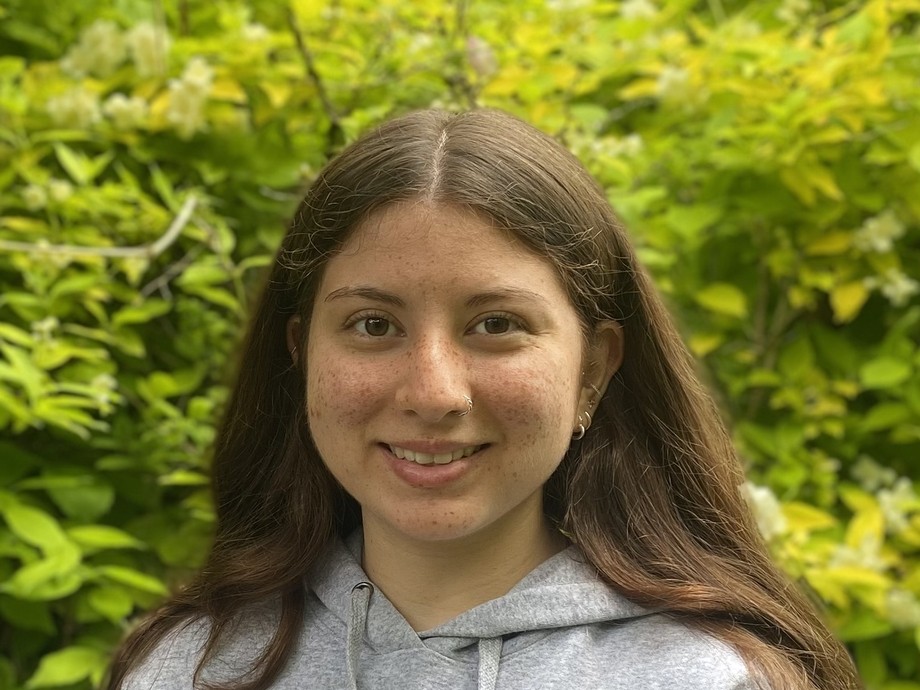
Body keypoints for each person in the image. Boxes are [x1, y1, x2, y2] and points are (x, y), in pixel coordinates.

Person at [106, 108, 861, 690]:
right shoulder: (185, 672)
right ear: (301, 355)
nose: (434, 392)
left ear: (593, 369)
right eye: (373, 325)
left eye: (496, 325)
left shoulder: (716, 679)